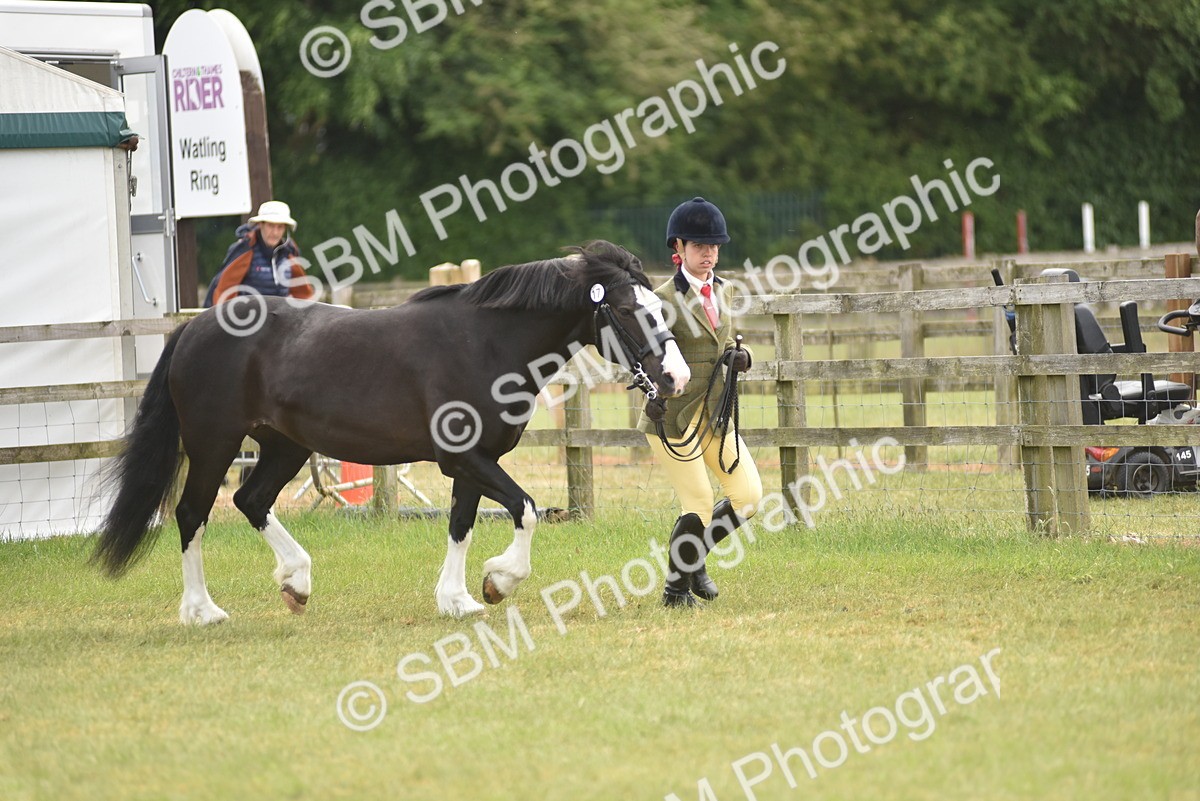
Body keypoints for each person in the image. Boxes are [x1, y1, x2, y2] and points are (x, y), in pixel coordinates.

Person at [637, 197, 763, 607]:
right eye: (698, 246)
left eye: (714, 246)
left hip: (715, 411)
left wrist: (738, 356)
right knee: (700, 504)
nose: (708, 254)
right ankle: (675, 591)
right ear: (679, 248)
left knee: (748, 497)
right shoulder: (660, 300)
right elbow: (642, 357)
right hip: (671, 417)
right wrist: (650, 393)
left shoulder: (725, 291)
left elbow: (723, 341)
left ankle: (693, 561)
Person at [203, 200, 315, 307]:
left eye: (280, 227)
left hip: (281, 322)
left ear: (285, 229)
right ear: (261, 225)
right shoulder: (245, 250)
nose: (275, 232)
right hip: (248, 321)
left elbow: (304, 296)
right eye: (270, 226)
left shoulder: (290, 253)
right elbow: (223, 292)